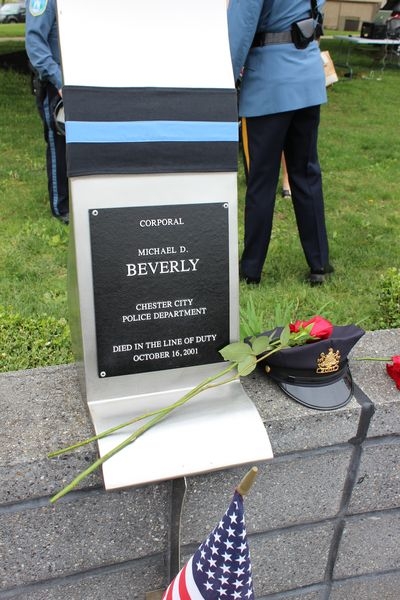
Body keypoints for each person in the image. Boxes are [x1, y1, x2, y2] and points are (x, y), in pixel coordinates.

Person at [228, 0, 333, 285]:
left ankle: (251, 268)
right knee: (306, 174)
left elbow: (240, 29)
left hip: (268, 84)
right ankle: (319, 263)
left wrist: (226, 80)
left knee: (261, 180)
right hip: (308, 77)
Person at [25, 0, 69, 224]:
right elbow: (35, 44)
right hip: (56, 86)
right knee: (59, 143)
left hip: (82, 81)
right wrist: (60, 82)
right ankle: (61, 207)